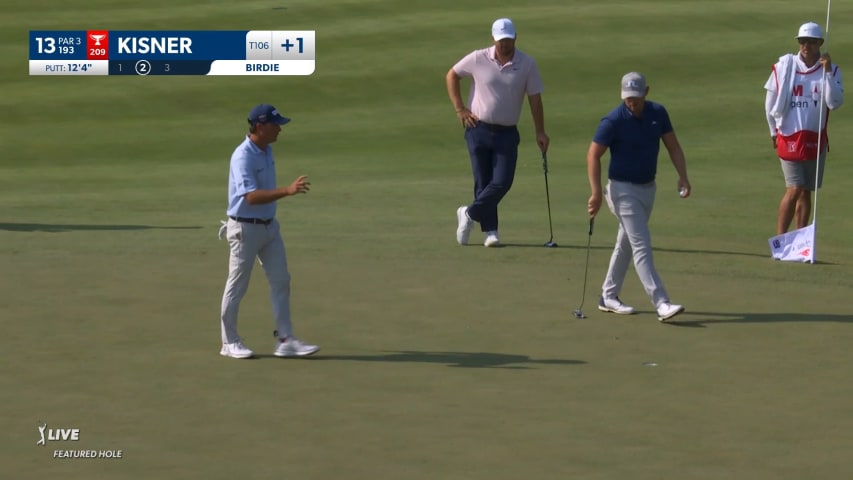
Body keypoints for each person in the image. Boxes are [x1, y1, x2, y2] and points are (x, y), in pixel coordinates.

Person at [586, 72, 690, 322]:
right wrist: (597, 193)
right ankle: (661, 302)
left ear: (646, 92)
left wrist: (683, 176)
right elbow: (593, 155)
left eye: (635, 97)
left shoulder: (658, 113)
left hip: (647, 188)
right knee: (641, 245)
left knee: (626, 244)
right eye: (627, 98)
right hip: (622, 191)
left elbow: (673, 146)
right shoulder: (613, 120)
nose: (631, 103)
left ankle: (608, 296)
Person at [219, 104, 319, 359]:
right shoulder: (243, 156)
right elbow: (250, 197)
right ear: (260, 127)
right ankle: (229, 342)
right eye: (276, 125)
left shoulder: (267, 149)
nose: (280, 129)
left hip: (269, 228)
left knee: (281, 280)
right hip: (244, 229)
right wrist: (287, 191)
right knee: (237, 286)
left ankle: (285, 340)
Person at [446, 17, 550, 247]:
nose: (505, 44)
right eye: (501, 40)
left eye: (509, 39)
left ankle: (468, 213)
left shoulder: (527, 64)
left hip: (507, 133)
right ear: (493, 38)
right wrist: (460, 109)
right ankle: (491, 232)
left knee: (502, 181)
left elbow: (535, 99)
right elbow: (452, 75)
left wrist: (540, 132)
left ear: (515, 38)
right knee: (482, 181)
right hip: (478, 129)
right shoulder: (478, 58)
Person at [764, 22, 843, 235]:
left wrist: (826, 73)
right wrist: (773, 131)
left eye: (810, 41)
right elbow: (769, 102)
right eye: (802, 41)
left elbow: (834, 102)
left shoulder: (832, 70)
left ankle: (800, 240)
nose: (805, 45)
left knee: (807, 191)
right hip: (788, 135)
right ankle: (781, 239)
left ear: (820, 43)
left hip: (815, 138)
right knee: (795, 188)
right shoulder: (784, 67)